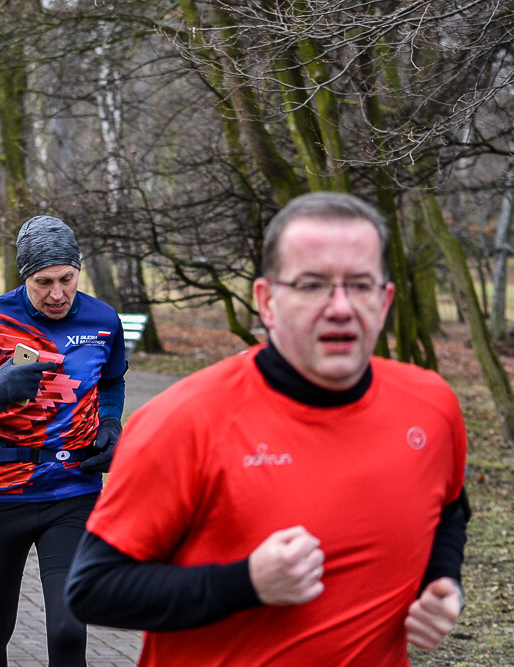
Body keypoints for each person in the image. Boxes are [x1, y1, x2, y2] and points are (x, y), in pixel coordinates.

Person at [66, 192, 470, 666]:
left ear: (385, 301)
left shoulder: (430, 405)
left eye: (360, 285)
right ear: (268, 301)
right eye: (313, 285)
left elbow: (449, 507)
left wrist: (442, 581)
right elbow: (93, 589)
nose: (340, 307)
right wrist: (246, 583)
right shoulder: (183, 421)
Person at [0, 215, 128, 667]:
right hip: (0, 494)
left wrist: (112, 424)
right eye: (43, 282)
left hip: (72, 491)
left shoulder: (103, 320)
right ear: (25, 277)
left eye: (66, 279)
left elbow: (112, 380)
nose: (57, 294)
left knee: (66, 629)